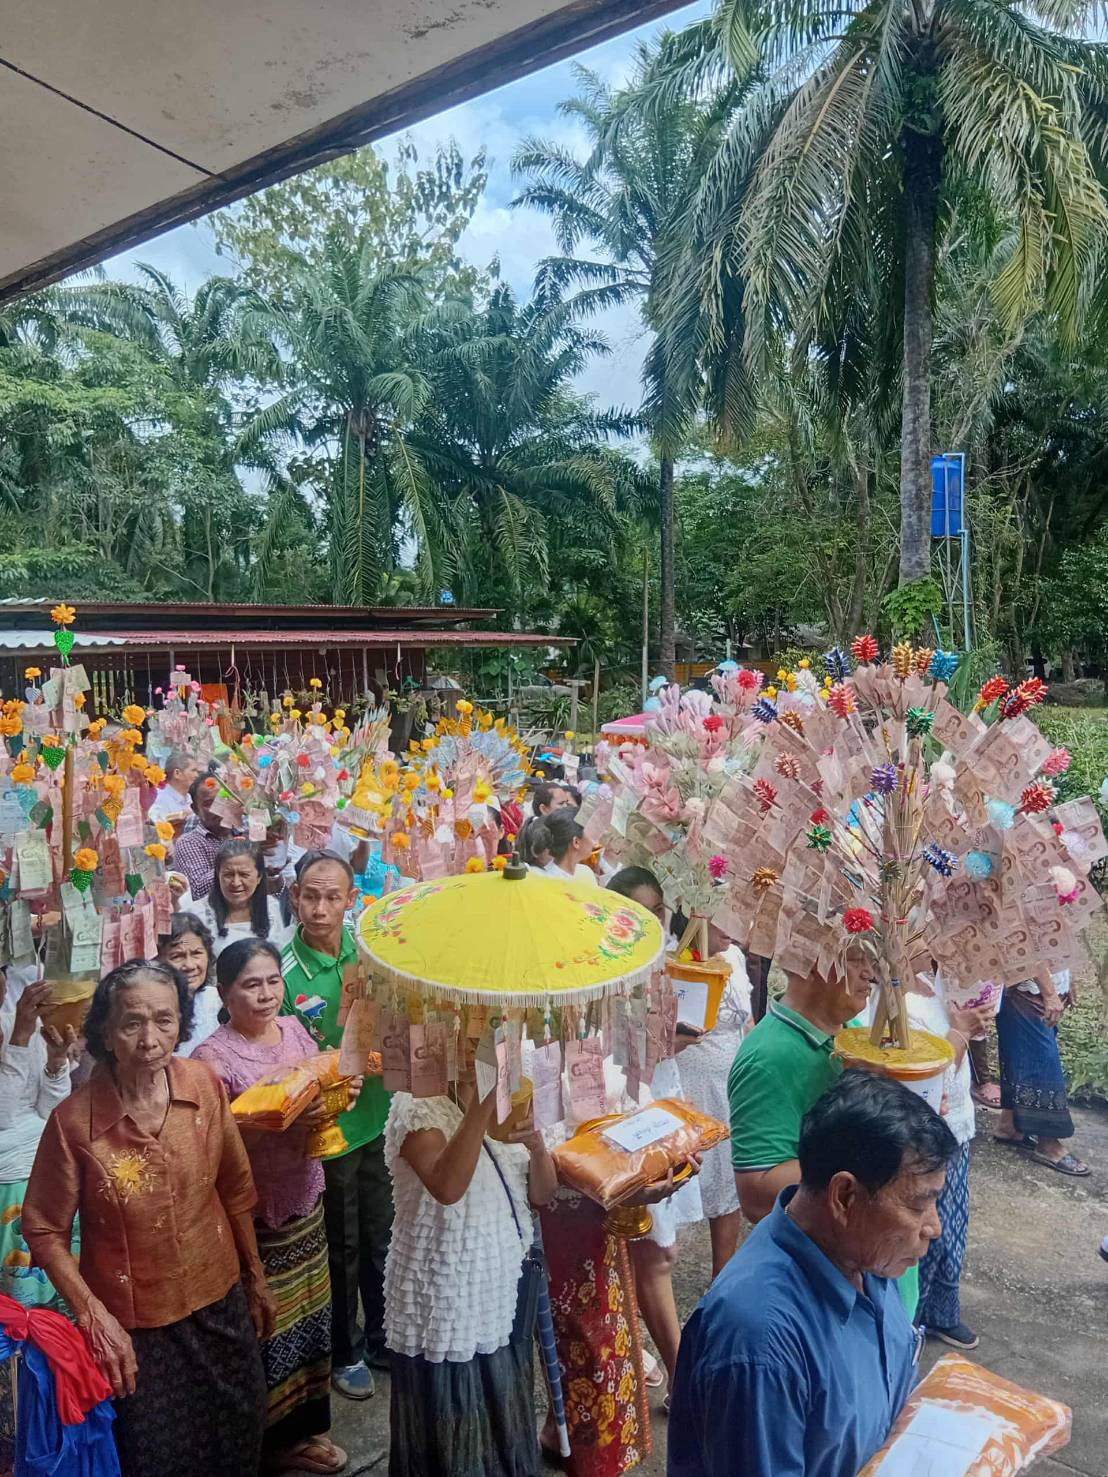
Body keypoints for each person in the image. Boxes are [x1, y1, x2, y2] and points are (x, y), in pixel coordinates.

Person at [22, 959, 272, 1477]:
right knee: (158, 1457)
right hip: (135, 1327)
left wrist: (255, 1276)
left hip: (219, 1298)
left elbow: (235, 1185)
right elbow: (44, 1229)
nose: (150, 1038)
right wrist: (93, 1316)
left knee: (241, 1431)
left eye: (165, 1019)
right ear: (106, 1034)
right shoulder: (73, 1124)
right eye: (132, 1023)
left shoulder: (203, 1085)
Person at [669, 1072, 957, 1477]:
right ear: (845, 1197)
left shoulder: (867, 1258)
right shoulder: (760, 1345)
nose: (934, 1227)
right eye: (917, 1205)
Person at [196, 939, 352, 1476]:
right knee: (269, 1326)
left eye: (271, 982)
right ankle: (271, 1443)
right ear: (224, 992)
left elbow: (317, 1083)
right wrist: (280, 1124)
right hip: (257, 1214)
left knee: (312, 1315)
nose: (265, 995)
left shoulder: (293, 1030)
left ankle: (307, 1429)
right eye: (250, 985)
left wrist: (337, 1097)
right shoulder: (212, 1059)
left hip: (306, 1194)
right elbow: (215, 1148)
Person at [727, 949, 920, 1316]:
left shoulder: (854, 1036)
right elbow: (756, 1193)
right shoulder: (772, 1055)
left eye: (870, 957)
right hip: (830, 1295)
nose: (870, 972)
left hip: (881, 1281)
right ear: (808, 960)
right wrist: (864, 1138)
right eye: (855, 959)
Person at [384, 1069, 557, 1477]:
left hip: (499, 1286)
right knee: (456, 1416)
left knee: (503, 1404)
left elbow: (542, 1195)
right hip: (446, 1297)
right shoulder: (415, 1104)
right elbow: (447, 1186)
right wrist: (483, 1100)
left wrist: (536, 1145)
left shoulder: (510, 1098)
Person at [282, 850, 392, 1400]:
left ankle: (381, 1333)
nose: (320, 907)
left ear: (352, 899)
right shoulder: (282, 971)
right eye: (309, 895)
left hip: (379, 1117)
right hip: (330, 1131)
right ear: (295, 896)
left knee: (380, 1232)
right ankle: (345, 1350)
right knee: (341, 1242)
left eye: (332, 896)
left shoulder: (371, 950)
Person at [903, 973, 989, 1351]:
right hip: (928, 1135)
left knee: (951, 1227)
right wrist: (960, 1032)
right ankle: (910, 1321)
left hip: (959, 1126)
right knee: (925, 1232)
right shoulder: (906, 1005)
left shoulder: (953, 990)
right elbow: (928, 1080)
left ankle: (941, 1313)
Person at [670, 915, 751, 1280]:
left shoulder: (734, 957)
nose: (731, 931)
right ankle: (659, 1268)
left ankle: (723, 1275)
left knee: (726, 1179)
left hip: (730, 1077)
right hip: (690, 1076)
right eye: (723, 922)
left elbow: (745, 1020)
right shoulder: (674, 961)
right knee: (680, 1173)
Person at [0, 975, 74, 1309]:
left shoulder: (17, 1013)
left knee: (58, 1289)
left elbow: (50, 1111)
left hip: (45, 1174)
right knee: (20, 1301)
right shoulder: (19, 1023)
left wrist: (57, 1062)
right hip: (9, 1185)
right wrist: (20, 1035)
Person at [994, 968, 1090, 1176]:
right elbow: (1024, 943)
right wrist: (1049, 992)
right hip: (1026, 981)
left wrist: (1068, 979)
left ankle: (1009, 1125)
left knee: (1021, 1049)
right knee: (1040, 1058)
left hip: (1038, 980)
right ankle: (1048, 1144)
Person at [196, 839, 294, 958]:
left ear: (259, 876)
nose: (236, 883)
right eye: (228, 874)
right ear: (217, 874)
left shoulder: (270, 907)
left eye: (244, 875)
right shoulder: (198, 914)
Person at [157, 911, 221, 1057]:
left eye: (197, 953)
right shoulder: (154, 1008)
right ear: (157, 961)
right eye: (177, 956)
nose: (190, 965)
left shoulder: (219, 1000)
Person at [171, 773, 237, 902]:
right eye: (209, 803)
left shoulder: (247, 831)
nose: (218, 808)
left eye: (223, 798)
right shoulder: (189, 843)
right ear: (195, 809)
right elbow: (198, 890)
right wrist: (239, 857)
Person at [536, 812, 597, 886]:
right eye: (591, 834)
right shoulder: (543, 879)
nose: (595, 842)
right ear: (576, 842)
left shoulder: (586, 872)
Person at [147, 750, 200, 826]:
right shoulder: (158, 798)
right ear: (177, 773)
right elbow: (157, 828)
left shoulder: (188, 798)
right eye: (193, 770)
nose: (197, 775)